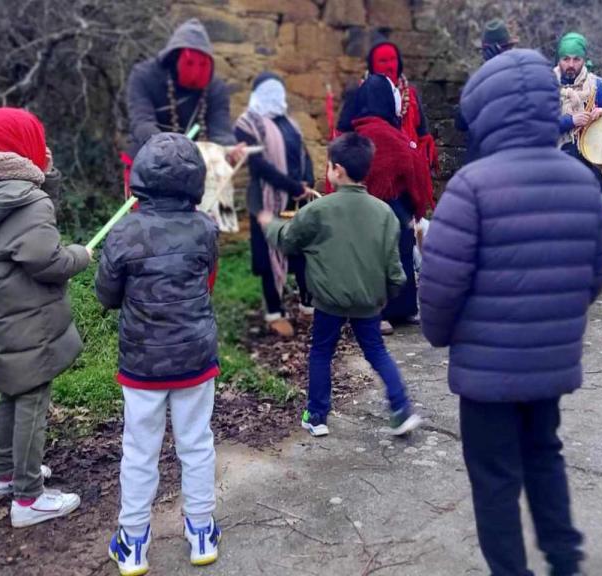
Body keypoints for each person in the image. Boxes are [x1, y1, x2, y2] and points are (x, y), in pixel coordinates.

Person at [420, 49, 602, 576]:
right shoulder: (582, 182)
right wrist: (554, 319)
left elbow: (440, 286)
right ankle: (565, 560)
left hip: (485, 375)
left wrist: (440, 335)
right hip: (548, 367)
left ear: (489, 113)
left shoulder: (471, 188)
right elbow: (596, 273)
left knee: (495, 477)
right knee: (545, 455)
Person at [0, 107, 91, 527]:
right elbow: (48, 261)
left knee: (11, 390)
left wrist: (45, 174)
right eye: (37, 142)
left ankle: (5, 475)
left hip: (0, 313)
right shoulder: (28, 200)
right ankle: (28, 499)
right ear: (21, 149)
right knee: (32, 398)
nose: (45, 150)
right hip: (26, 315)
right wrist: (81, 255)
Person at [97, 133, 222, 573]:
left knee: (139, 450)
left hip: (142, 363)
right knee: (196, 444)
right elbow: (208, 280)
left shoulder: (124, 232)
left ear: (140, 180)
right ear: (196, 182)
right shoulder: (206, 227)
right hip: (194, 358)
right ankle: (201, 530)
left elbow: (107, 296)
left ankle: (132, 541)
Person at [258, 133, 423, 438]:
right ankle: (401, 409)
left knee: (322, 352)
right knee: (376, 352)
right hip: (368, 301)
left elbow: (288, 239)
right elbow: (394, 267)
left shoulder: (319, 210)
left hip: (329, 301)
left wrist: (269, 224)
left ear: (336, 170)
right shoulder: (384, 212)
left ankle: (317, 416)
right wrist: (388, 293)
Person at [348, 74, 434, 334]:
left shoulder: (359, 131)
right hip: (387, 207)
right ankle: (388, 311)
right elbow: (411, 166)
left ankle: (393, 310)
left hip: (369, 209)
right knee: (395, 254)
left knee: (383, 257)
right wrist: (414, 204)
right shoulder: (383, 133)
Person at [235, 72, 318, 338]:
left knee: (303, 253)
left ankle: (308, 305)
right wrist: (293, 187)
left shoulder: (290, 123)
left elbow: (303, 154)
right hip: (266, 199)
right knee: (269, 255)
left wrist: (307, 181)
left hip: (297, 199)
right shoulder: (246, 124)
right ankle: (274, 312)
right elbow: (259, 166)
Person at [124, 19, 239, 189]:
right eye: (191, 63)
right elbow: (141, 122)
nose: (195, 70)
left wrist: (229, 148)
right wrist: (169, 149)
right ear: (174, 58)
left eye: (201, 65)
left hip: (194, 170)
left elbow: (220, 128)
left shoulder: (215, 87)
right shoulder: (144, 76)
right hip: (148, 164)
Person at [336, 39, 439, 177]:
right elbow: (344, 133)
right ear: (372, 66)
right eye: (383, 61)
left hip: (407, 168)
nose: (389, 66)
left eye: (393, 60)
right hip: (371, 169)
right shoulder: (359, 93)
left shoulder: (411, 95)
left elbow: (423, 135)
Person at [554, 32, 602, 192]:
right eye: (565, 59)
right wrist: (571, 121)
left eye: (576, 59)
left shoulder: (594, 85)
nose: (570, 64)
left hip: (588, 165)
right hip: (555, 162)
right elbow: (538, 125)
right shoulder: (547, 84)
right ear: (558, 60)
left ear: (584, 60)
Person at [457, 19, 519, 164]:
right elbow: (461, 121)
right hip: (481, 158)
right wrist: (489, 71)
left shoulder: (518, 77)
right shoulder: (477, 79)